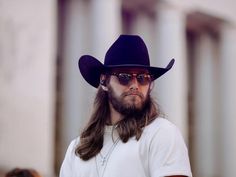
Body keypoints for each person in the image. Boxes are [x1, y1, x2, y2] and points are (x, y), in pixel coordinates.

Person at [60, 34, 192, 177]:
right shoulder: (77, 148)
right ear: (104, 81)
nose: (135, 85)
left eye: (142, 78)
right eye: (124, 77)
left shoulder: (161, 133)